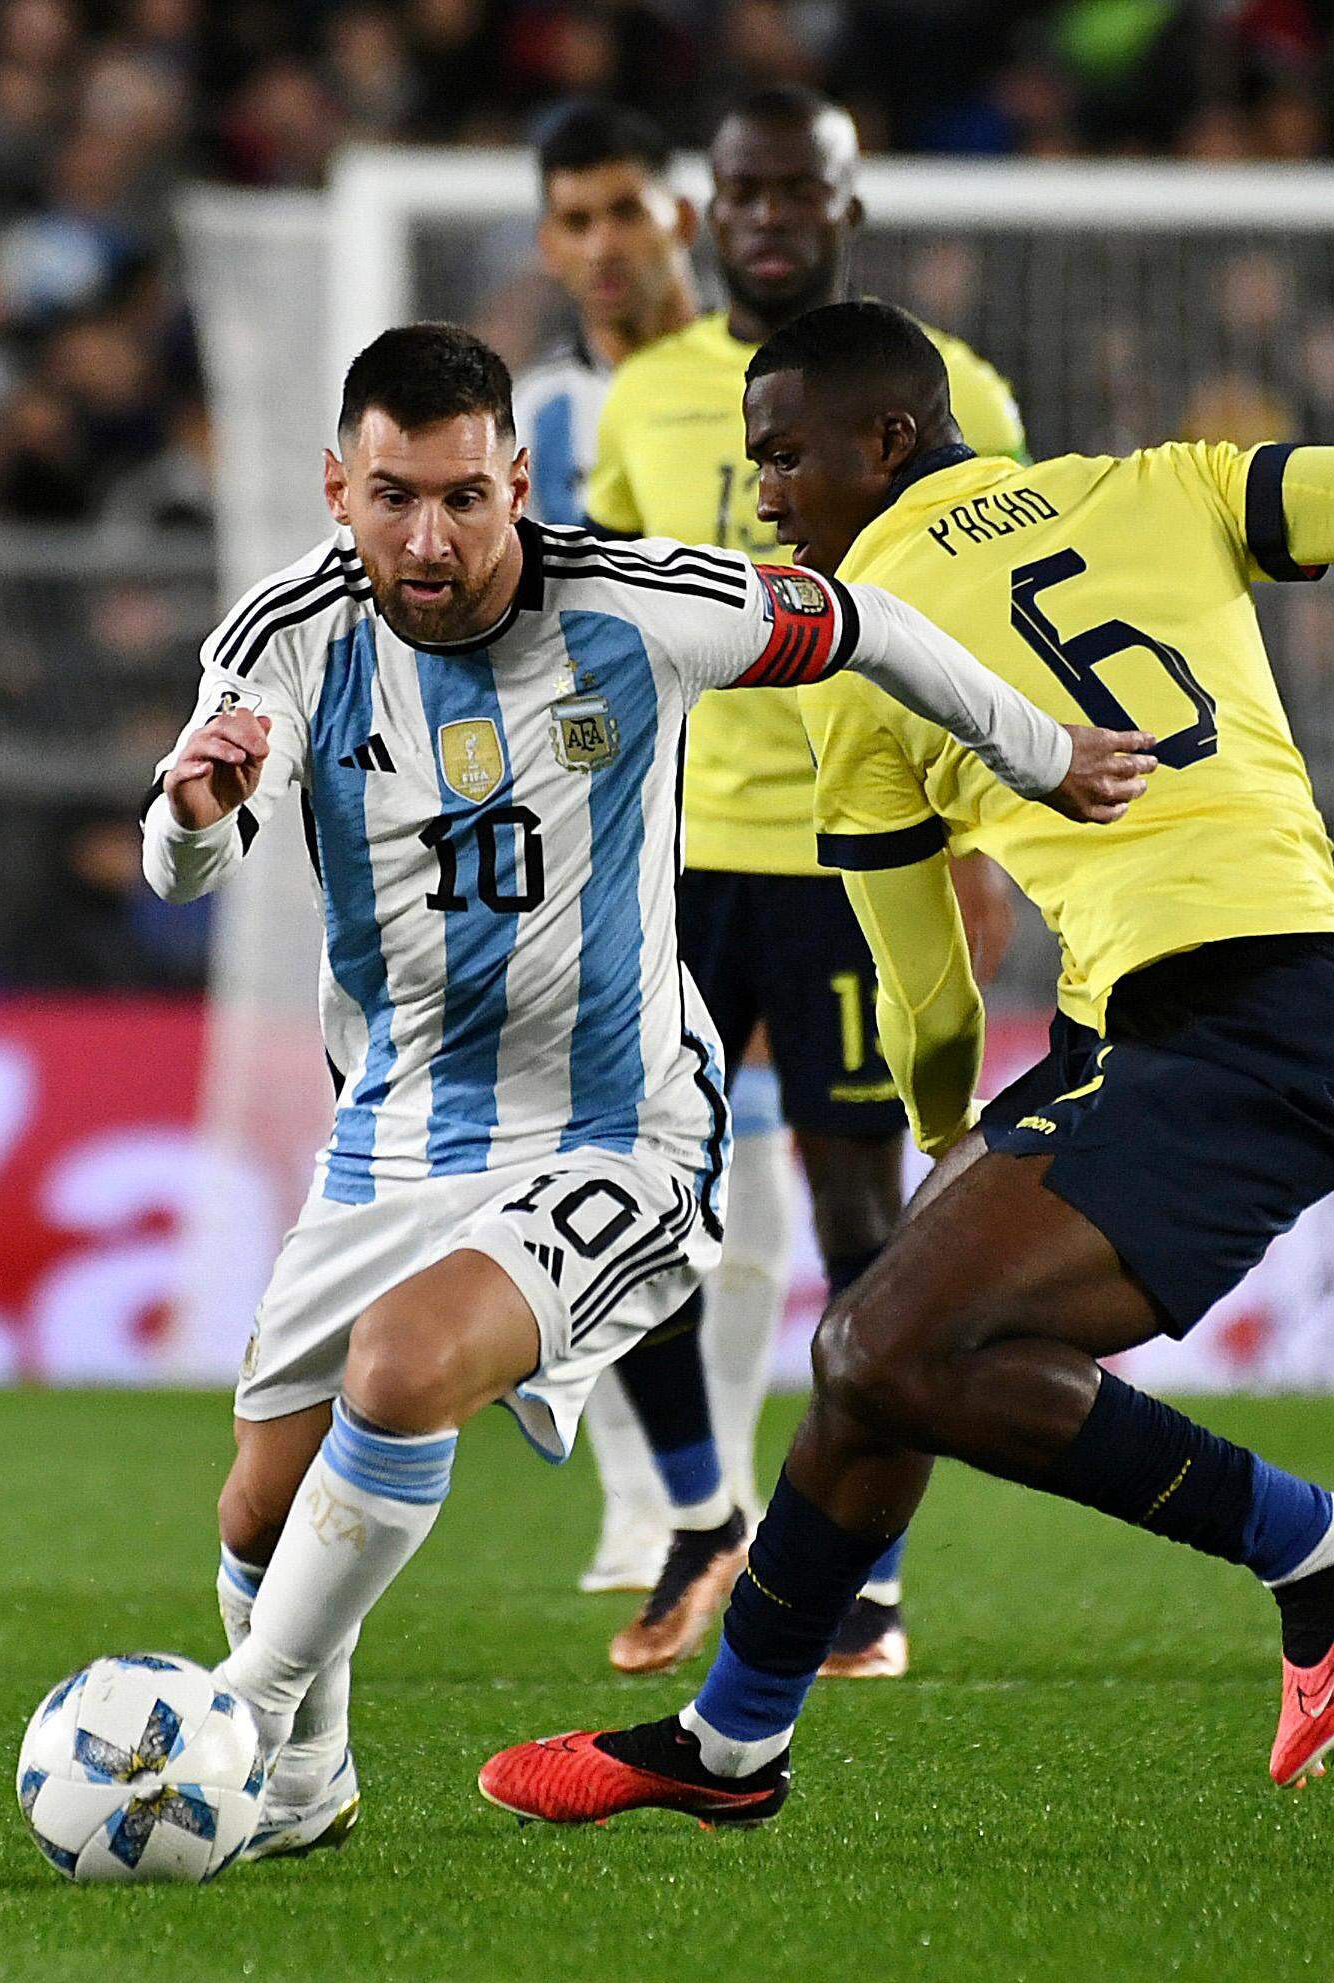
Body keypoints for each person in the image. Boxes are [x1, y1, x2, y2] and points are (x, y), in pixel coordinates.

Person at [478, 300, 1334, 1824]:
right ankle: (730, 1745)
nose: (766, 493)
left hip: (1240, 1031)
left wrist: (942, 1125)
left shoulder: (863, 654)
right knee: (876, 1367)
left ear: (893, 440)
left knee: (880, 1348)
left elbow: (921, 982)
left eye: (786, 455)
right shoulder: (1162, 484)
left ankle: (1326, 1551)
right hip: (1243, 1007)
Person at [147, 321, 1150, 1861]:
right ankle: (302, 1785)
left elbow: (867, 623)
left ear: (520, 481)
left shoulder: (639, 602)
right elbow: (195, 837)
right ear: (338, 488)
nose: (432, 539)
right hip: (395, 1125)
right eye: (396, 497)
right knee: (256, 1519)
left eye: (467, 498)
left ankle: (237, 1718)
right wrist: (194, 817)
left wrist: (1036, 753)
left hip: (619, 1123)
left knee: (406, 1370)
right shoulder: (282, 633)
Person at [576, 84, 1031, 1680]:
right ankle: (703, 1521)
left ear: (848, 204)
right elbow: (611, 620)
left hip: (858, 852)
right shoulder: (641, 399)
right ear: (710, 209)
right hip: (675, 860)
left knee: (864, 1221)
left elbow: (985, 634)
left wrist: (974, 847)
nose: (769, 216)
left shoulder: (952, 386)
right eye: (744, 191)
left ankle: (868, 1582)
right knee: (616, 1199)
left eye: (799, 191)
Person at [512, 99, 808, 1605]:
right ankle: (652, 1502)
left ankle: (723, 1489)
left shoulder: (785, 382)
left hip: (781, 827)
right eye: (573, 220)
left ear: (680, 218)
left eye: (623, 209)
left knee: (749, 1155)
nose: (602, 245)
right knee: (617, 1163)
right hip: (606, 834)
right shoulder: (536, 425)